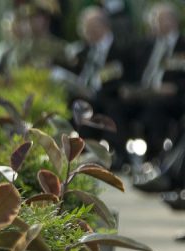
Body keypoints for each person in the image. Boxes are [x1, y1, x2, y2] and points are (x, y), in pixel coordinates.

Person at [63, 7, 132, 165]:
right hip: (85, 96)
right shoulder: (84, 51)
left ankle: (111, 154)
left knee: (107, 106)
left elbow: (122, 77)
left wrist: (94, 91)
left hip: (110, 96)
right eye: (84, 28)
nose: (86, 32)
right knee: (72, 104)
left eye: (90, 28)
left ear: (103, 26)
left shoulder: (121, 47)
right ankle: (78, 151)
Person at [131, 2, 185, 192]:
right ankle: (131, 160)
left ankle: (157, 164)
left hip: (175, 98)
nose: (158, 24)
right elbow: (134, 73)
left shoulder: (182, 45)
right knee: (119, 106)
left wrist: (175, 87)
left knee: (156, 111)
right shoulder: (146, 46)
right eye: (155, 20)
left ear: (174, 21)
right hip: (144, 95)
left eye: (162, 20)